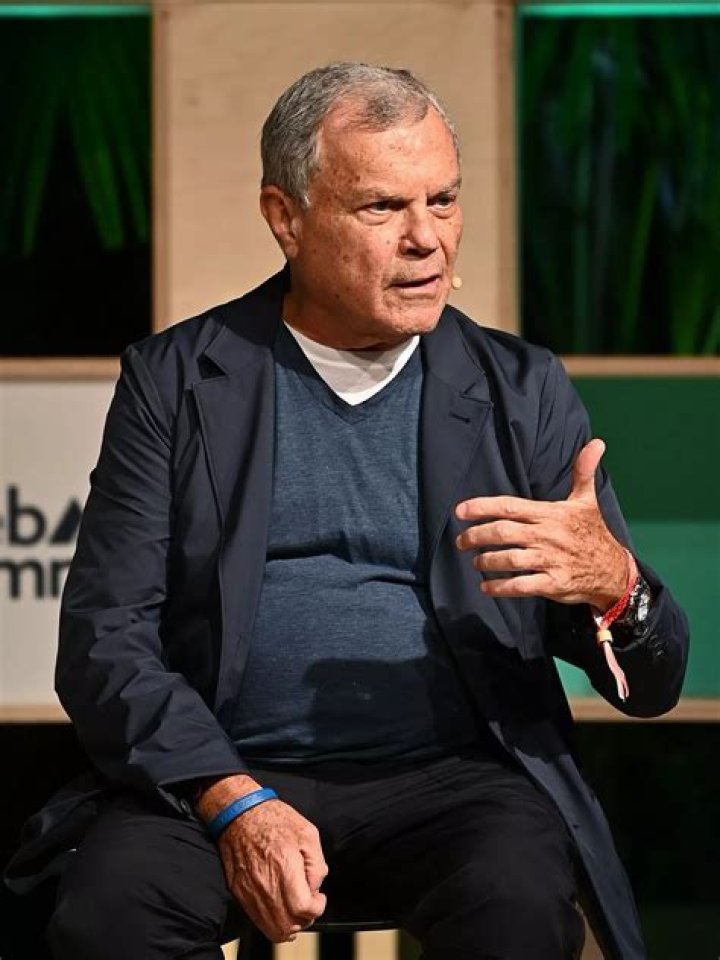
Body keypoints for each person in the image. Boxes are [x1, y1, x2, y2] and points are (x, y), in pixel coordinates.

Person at [6, 63, 688, 960]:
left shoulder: (521, 390)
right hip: (223, 774)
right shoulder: (175, 381)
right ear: (285, 218)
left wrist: (615, 587)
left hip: (454, 782)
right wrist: (234, 799)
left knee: (519, 900)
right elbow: (105, 637)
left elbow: (654, 685)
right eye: (382, 207)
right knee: (111, 914)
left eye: (443, 200)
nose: (427, 240)